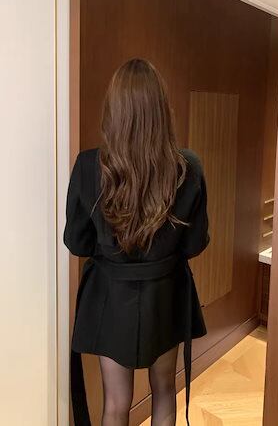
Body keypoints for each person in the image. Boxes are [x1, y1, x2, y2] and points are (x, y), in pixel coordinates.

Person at [64, 58, 210, 426]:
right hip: (165, 295)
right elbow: (194, 244)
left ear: (114, 111)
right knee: (164, 391)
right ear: (161, 110)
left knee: (116, 403)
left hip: (110, 297)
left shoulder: (87, 165)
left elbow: (77, 243)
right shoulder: (188, 167)